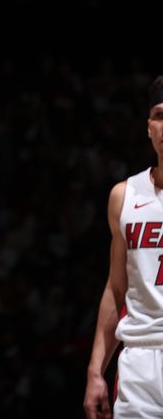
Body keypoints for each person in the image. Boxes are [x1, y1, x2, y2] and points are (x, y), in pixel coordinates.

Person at [84, 75, 163, 419]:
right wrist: (96, 370)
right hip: (140, 362)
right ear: (149, 128)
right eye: (159, 115)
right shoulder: (124, 196)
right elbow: (116, 288)